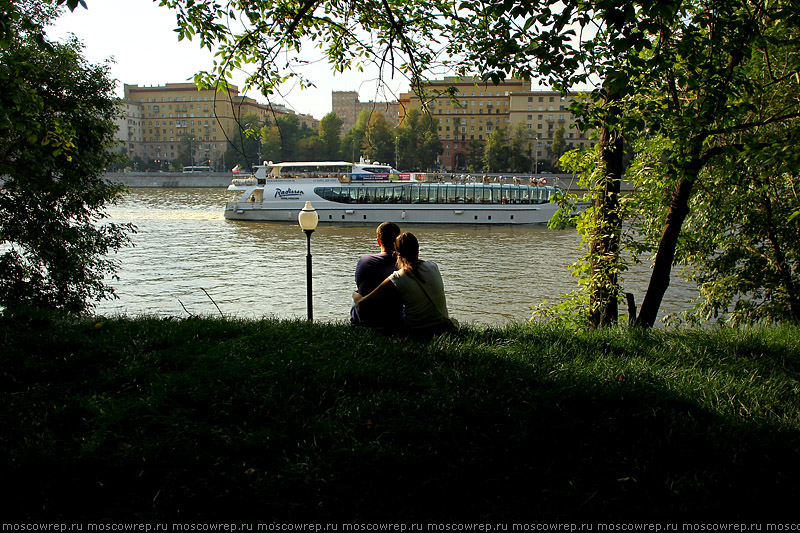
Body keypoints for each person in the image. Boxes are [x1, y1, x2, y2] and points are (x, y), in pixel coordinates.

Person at [353, 232, 454, 337]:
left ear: (396, 253)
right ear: (417, 250)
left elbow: (362, 304)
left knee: (358, 301)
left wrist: (355, 295)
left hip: (417, 331)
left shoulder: (398, 278)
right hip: (444, 327)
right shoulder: (433, 266)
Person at [350, 221, 403, 329]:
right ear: (398, 242)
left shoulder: (364, 261)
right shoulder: (404, 265)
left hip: (364, 320)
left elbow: (360, 284)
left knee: (356, 294)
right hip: (392, 321)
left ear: (379, 242)